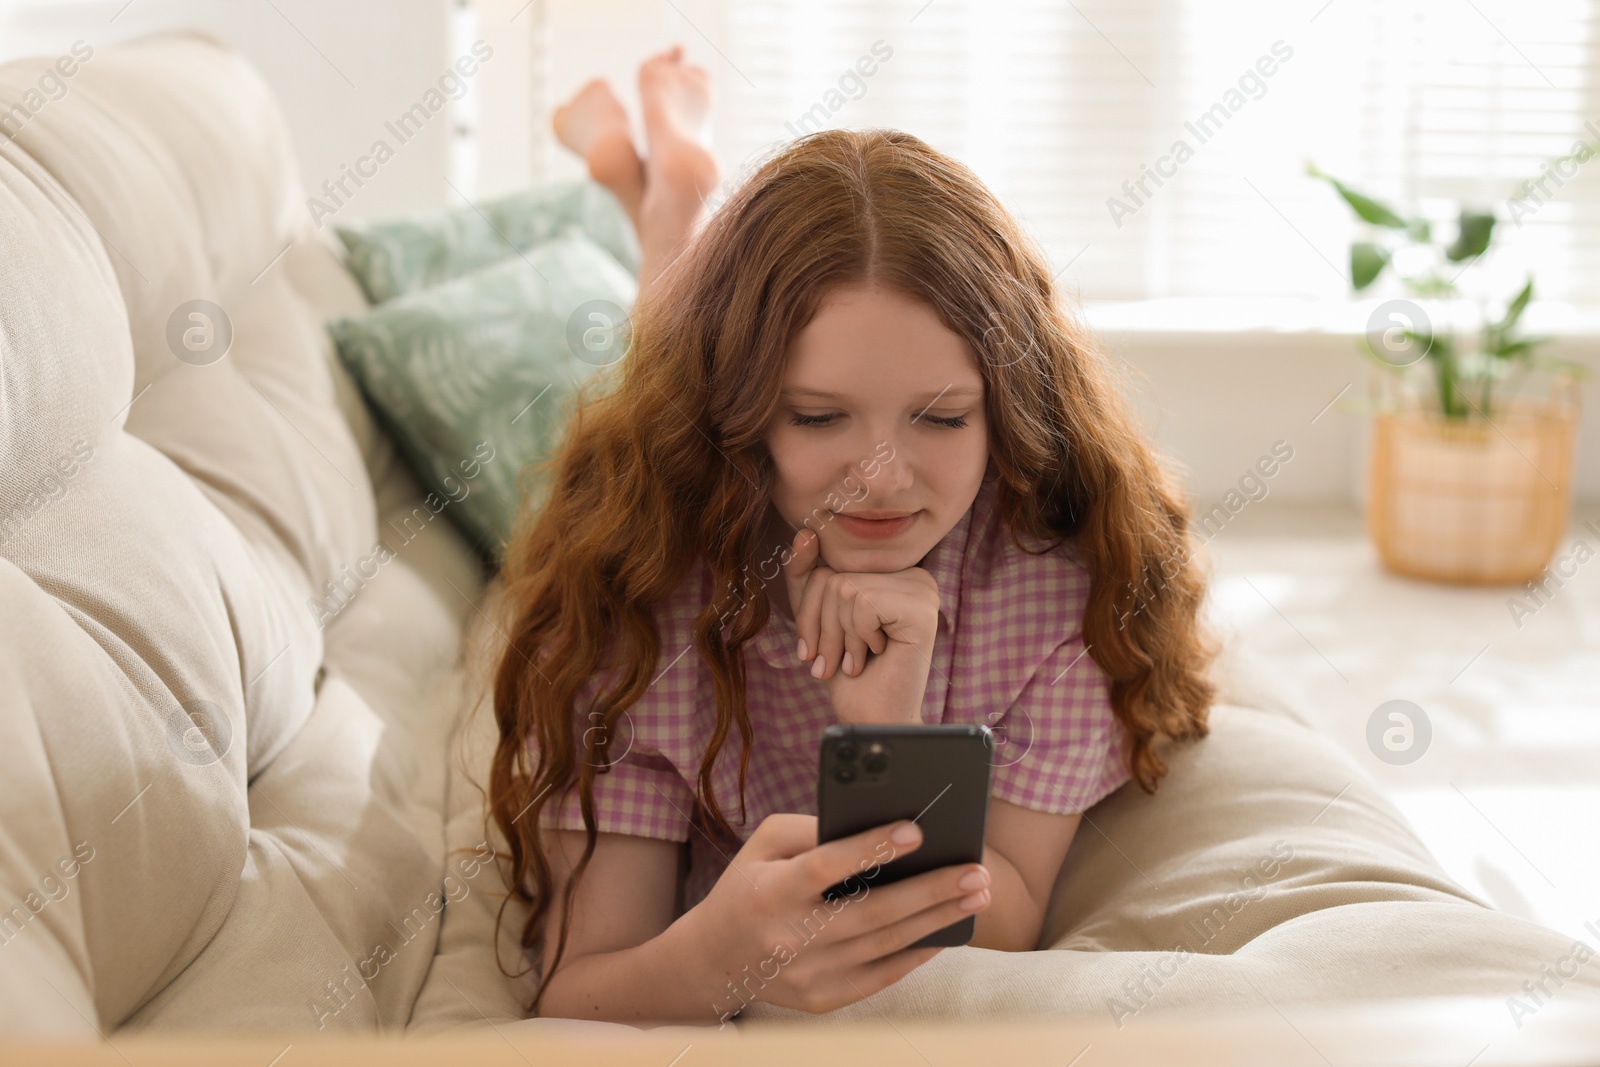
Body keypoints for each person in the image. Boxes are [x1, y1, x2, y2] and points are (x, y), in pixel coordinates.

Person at [486, 44, 1219, 1028]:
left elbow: (999, 920)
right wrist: (713, 957)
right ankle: (666, 210)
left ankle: (664, 200)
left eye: (943, 417)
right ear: (744, 416)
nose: (880, 478)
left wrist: (885, 736)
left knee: (678, 326)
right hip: (698, 497)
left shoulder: (1063, 582)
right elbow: (578, 989)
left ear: (1009, 408)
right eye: (818, 418)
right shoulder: (645, 589)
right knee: (655, 352)